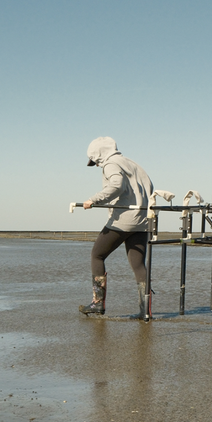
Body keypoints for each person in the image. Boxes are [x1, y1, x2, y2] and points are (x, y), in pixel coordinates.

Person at [79, 137, 154, 320]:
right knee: (138, 264)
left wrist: (93, 199)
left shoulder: (111, 164)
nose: (97, 165)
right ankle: (146, 311)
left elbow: (116, 186)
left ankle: (97, 303)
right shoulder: (133, 164)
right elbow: (150, 187)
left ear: (100, 154)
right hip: (143, 220)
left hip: (123, 220)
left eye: (95, 161)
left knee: (97, 254)